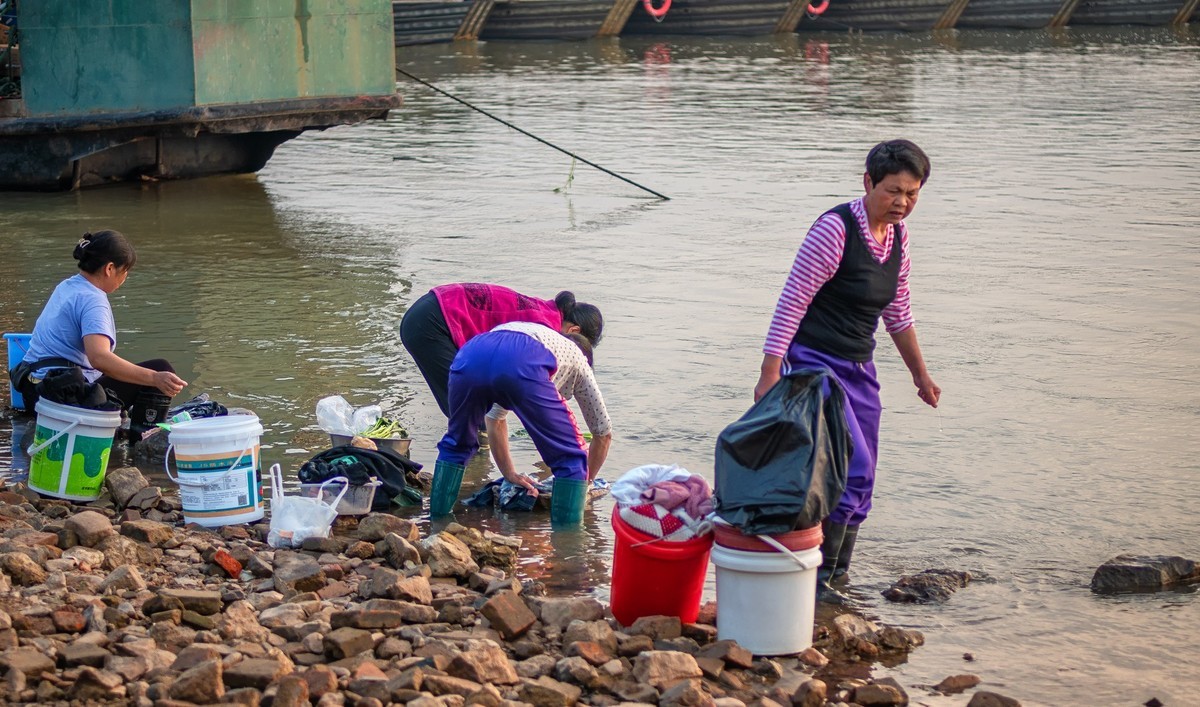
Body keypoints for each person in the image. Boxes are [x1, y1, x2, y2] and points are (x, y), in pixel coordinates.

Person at [753, 140, 941, 603]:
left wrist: (921, 375)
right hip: (814, 361)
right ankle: (817, 579)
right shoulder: (834, 231)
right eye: (894, 190)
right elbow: (792, 300)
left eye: (913, 194)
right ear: (868, 183)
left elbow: (898, 312)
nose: (902, 203)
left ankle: (835, 577)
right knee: (849, 463)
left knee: (865, 475)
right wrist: (769, 372)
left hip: (860, 365)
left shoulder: (898, 238)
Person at [429, 321, 613, 526]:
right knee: (570, 459)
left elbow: (495, 420)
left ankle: (436, 524)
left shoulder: (543, 337)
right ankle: (567, 550)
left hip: (471, 353)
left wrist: (509, 474)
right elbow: (603, 433)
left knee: (457, 443)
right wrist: (585, 484)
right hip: (522, 359)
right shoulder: (578, 360)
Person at [13, 230, 187, 438]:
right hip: (62, 399)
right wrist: (154, 378)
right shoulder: (92, 299)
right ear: (110, 268)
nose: (125, 278)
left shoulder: (67, 286)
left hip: (36, 392)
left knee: (134, 372)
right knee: (160, 368)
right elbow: (99, 358)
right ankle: (141, 441)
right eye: (125, 271)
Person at [400, 283, 603, 417]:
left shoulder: (544, 312)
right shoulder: (545, 332)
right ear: (574, 331)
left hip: (431, 308)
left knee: (474, 410)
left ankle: (472, 466)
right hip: (434, 321)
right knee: (469, 414)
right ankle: (472, 475)